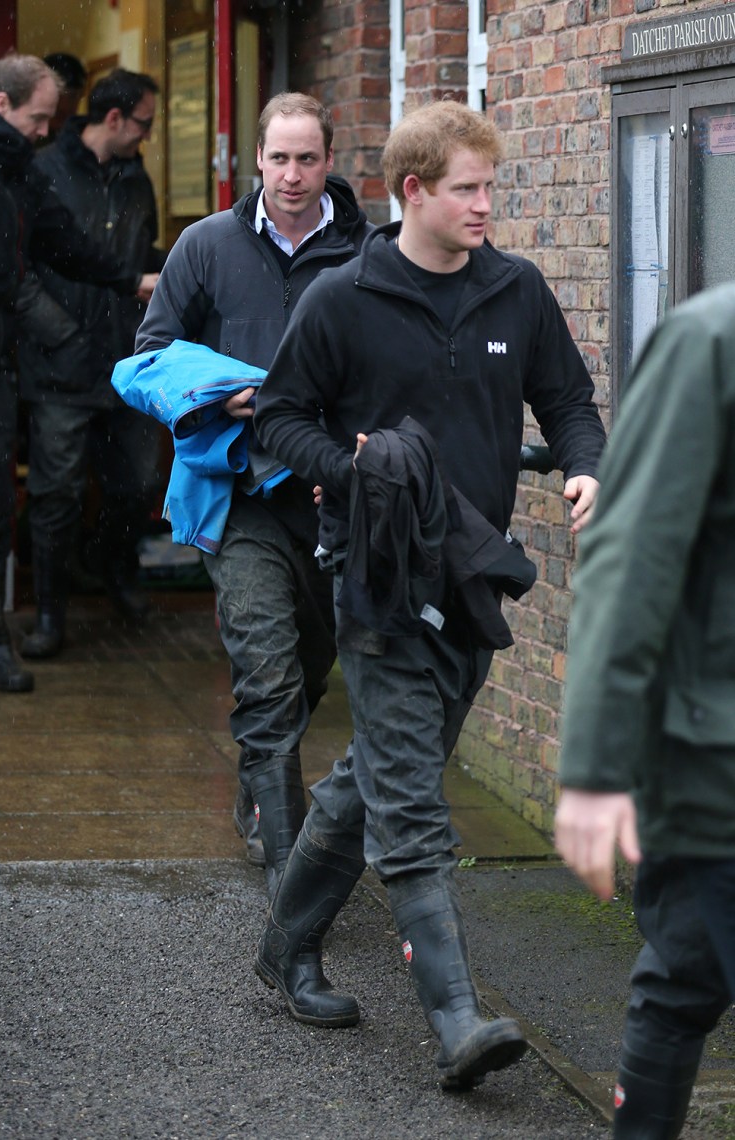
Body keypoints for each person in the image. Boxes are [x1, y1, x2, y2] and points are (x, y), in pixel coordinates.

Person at [252, 99, 607, 1090]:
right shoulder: (342, 296)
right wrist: (349, 470)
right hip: (373, 578)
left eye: (490, 188)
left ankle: (284, 951)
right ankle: (455, 1020)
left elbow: (568, 403)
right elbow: (277, 419)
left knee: (371, 775)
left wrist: (582, 467)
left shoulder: (514, 291)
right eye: (468, 189)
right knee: (408, 798)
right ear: (414, 192)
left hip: (473, 575)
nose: (486, 205)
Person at [131, 92, 372, 890]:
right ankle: (286, 857)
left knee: (310, 663)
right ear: (256, 160)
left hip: (333, 497)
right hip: (239, 493)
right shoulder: (206, 246)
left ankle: (257, 783)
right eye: (279, 159)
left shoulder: (369, 254)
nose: (293, 175)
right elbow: (152, 354)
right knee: (265, 666)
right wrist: (222, 393)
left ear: (329, 160)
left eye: (308, 159)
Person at [555, 283, 735, 1138]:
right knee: (683, 975)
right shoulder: (711, 343)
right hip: (719, 770)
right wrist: (593, 771)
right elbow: (630, 559)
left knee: (685, 971)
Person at [0, 53, 147, 693]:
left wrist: (130, 280)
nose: (49, 130)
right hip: (11, 358)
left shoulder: (19, 166)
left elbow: (61, 243)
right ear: (2, 107)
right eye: (40, 117)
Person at [18, 68, 164, 661]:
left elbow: (138, 253)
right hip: (61, 362)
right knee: (56, 493)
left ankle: (114, 574)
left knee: (137, 483)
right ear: (113, 119)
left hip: (125, 361)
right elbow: (26, 262)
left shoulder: (137, 179)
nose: (148, 136)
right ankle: (50, 613)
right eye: (144, 123)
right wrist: (62, 333)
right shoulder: (45, 171)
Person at [43, 52, 87, 141]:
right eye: (72, 96)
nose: (72, 105)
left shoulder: (79, 135)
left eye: (76, 96)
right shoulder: (29, 134)